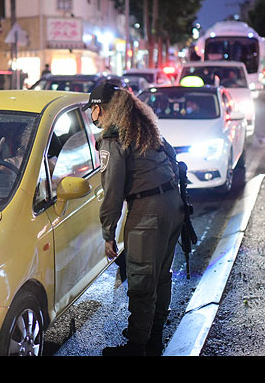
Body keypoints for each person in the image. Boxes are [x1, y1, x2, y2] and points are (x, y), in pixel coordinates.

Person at [84, 81, 185, 356]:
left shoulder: (114, 138)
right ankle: (153, 338)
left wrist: (108, 233)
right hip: (172, 206)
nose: (93, 116)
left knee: (141, 280)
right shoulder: (142, 129)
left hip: (147, 212)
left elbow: (112, 191)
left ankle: (137, 347)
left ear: (99, 109)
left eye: (93, 109)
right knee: (161, 277)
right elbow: (171, 160)